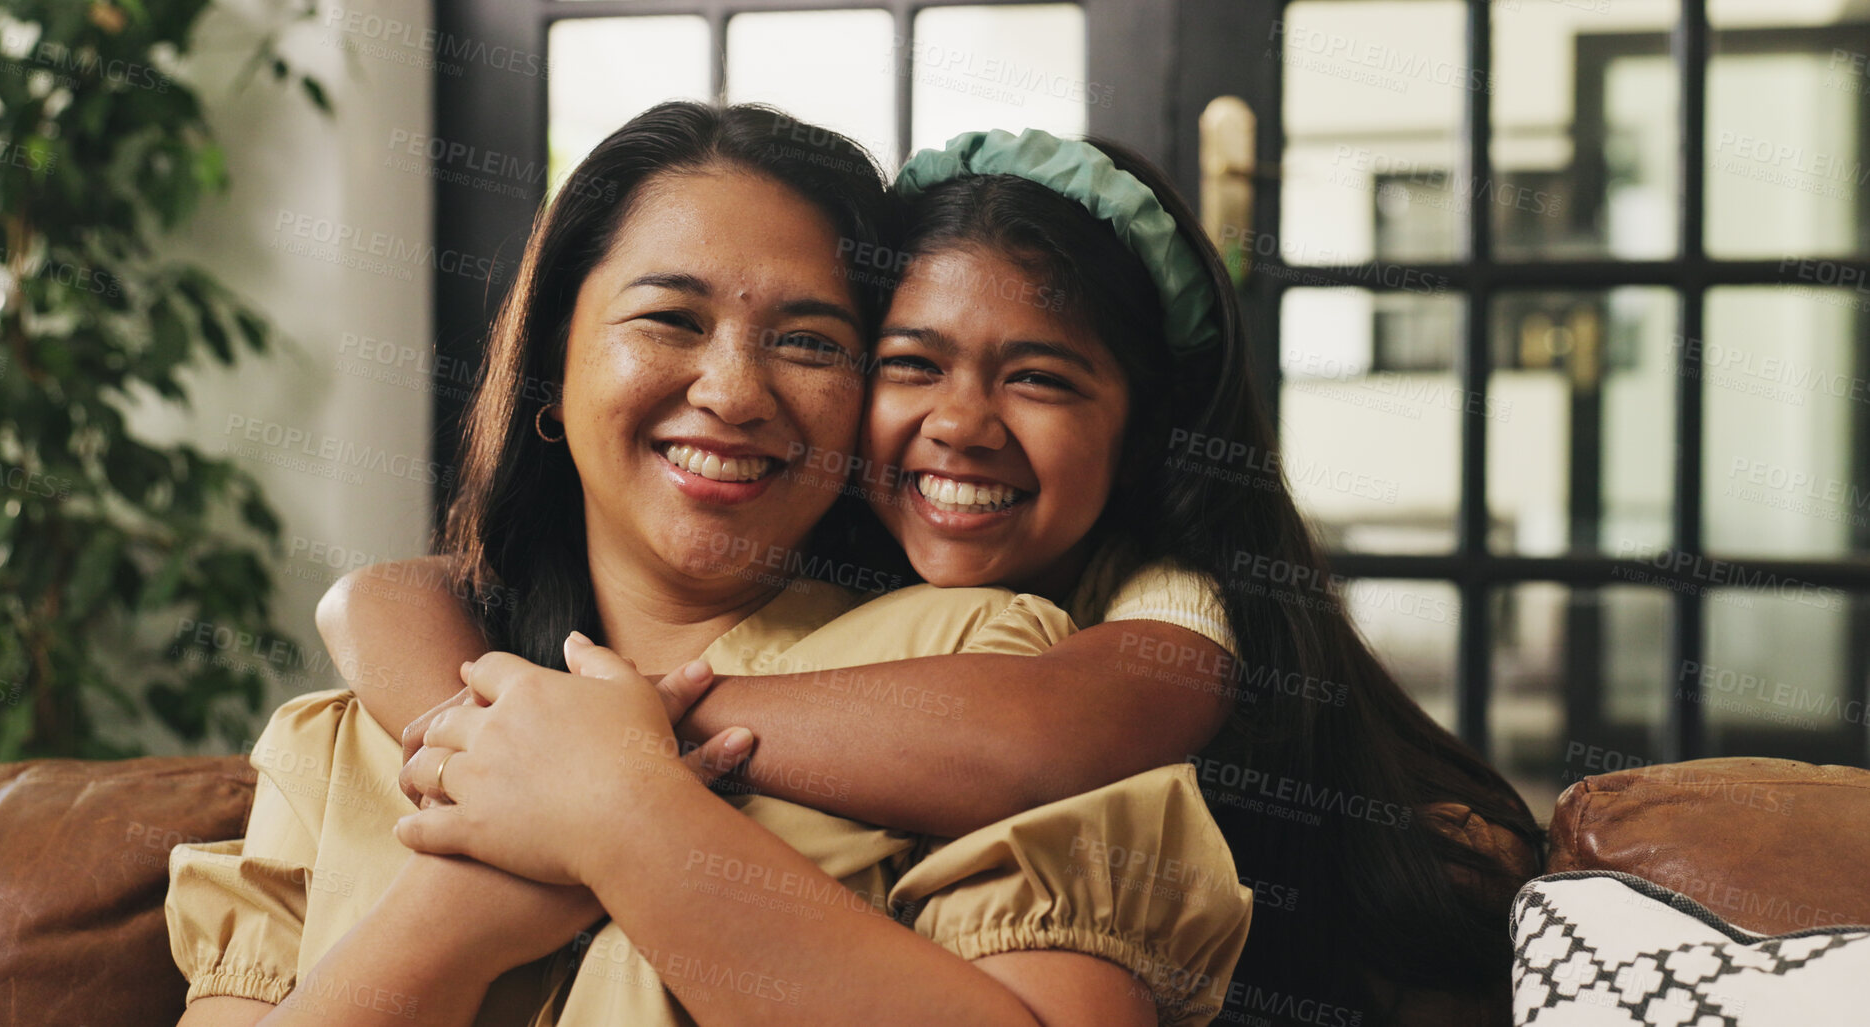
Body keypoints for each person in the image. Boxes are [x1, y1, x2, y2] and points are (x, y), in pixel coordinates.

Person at [347, 128, 1545, 1023]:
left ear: (1145, 437)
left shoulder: (1165, 604)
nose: (961, 425)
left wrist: (614, 752)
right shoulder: (827, 558)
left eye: (1042, 378)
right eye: (910, 363)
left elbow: (1034, 734)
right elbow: (390, 594)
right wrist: (484, 732)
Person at [165, 104, 1252, 1027]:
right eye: (670, 319)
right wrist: (458, 919)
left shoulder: (982, 666)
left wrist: (626, 813)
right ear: (550, 364)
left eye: (810, 341)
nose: (733, 393)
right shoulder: (353, 732)